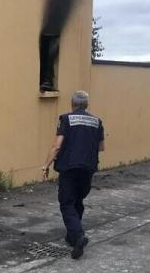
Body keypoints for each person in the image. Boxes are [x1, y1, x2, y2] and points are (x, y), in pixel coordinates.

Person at [42, 91, 104, 259]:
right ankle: (72, 237)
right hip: (88, 168)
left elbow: (57, 146)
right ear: (87, 105)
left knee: (66, 202)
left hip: (69, 168)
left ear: (72, 104)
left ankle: (78, 236)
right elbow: (101, 147)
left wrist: (45, 165)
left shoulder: (66, 119)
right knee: (77, 201)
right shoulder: (97, 122)